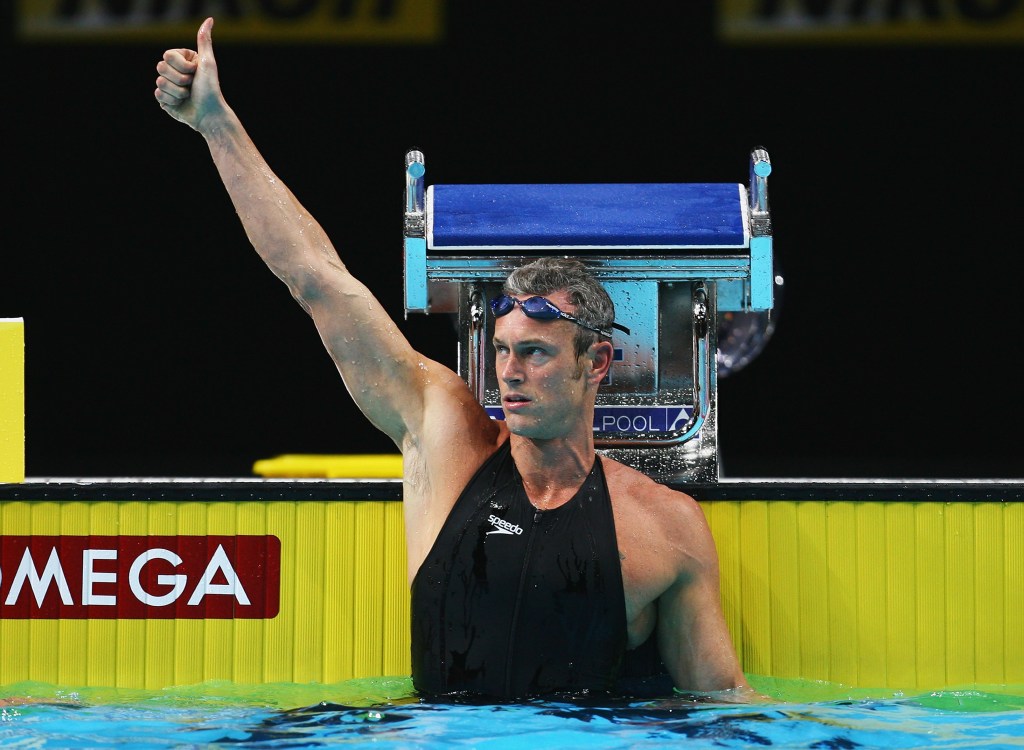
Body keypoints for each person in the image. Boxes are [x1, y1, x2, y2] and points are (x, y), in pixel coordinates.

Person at [154, 17, 763, 703]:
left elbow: (721, 706)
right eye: (502, 351)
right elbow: (316, 277)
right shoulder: (446, 438)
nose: (508, 372)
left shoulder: (664, 525)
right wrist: (215, 124)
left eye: (534, 353)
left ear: (595, 363)